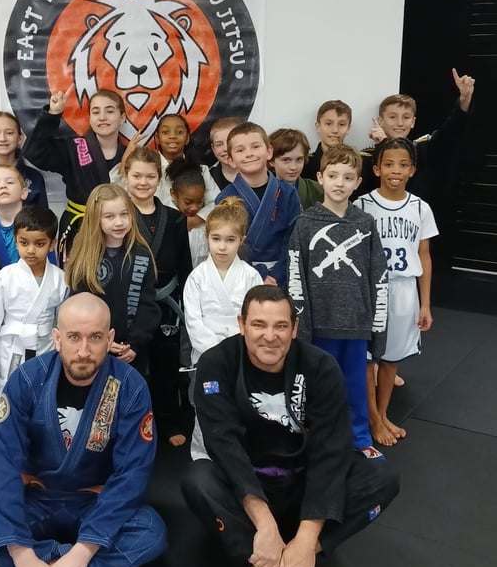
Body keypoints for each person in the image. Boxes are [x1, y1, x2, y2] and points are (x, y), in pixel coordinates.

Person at [181, 285, 399, 567]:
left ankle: (286, 563)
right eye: (259, 325)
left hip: (303, 488)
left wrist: (306, 540)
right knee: (198, 480)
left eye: (280, 326)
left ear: (295, 328)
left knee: (382, 475)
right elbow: (224, 448)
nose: (270, 336)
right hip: (247, 491)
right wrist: (265, 522)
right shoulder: (216, 364)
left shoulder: (320, 367)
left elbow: (331, 453)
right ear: (241, 324)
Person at [0, 293, 167, 567]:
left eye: (95, 338)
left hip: (95, 501)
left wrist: (84, 550)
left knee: (152, 533)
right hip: (37, 497)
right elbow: (1, 466)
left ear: (110, 339)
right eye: (74, 337)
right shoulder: (26, 381)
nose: (84, 350)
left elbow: (132, 474)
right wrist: (22, 554)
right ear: (56, 338)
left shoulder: (130, 387)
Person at [287, 145, 388, 456]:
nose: (339, 183)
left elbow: (378, 276)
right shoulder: (305, 224)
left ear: (358, 182)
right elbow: (296, 278)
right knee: (319, 386)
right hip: (320, 323)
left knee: (356, 385)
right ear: (320, 178)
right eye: (332, 175)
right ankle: (319, 440)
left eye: (347, 177)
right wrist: (302, 326)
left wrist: (377, 327)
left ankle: (360, 439)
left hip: (356, 322)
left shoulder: (365, 224)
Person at [354, 138, 438, 446]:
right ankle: (373, 420)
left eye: (403, 165)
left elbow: (424, 257)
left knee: (391, 359)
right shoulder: (361, 205)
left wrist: (425, 304)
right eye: (388, 164)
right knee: (366, 358)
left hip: (404, 290)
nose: (395, 171)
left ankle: (383, 414)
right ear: (376, 168)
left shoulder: (420, 208)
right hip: (369, 289)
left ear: (412, 170)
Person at [124, 146, 193, 446]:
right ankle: (132, 423)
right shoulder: (119, 217)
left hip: (166, 303)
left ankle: (168, 422)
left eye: (150, 176)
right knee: (133, 365)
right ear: (125, 176)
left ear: (159, 179)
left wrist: (187, 303)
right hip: (130, 302)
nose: (143, 182)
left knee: (166, 367)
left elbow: (184, 265)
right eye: (137, 176)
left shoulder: (175, 219)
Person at [65, 184, 160, 376]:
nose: (119, 222)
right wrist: (101, 340)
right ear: (95, 218)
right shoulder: (84, 258)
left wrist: (134, 344)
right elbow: (78, 308)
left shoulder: (142, 256)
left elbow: (148, 306)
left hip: (131, 351)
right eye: (109, 216)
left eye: (124, 214)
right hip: (91, 349)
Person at [23, 89, 127, 265]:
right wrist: (53, 114)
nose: (102, 117)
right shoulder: (74, 148)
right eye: (96, 112)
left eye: (110, 111)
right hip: (79, 226)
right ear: (90, 118)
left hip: (118, 228)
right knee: (77, 277)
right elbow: (34, 152)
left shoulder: (130, 155)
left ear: (122, 117)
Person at [0, 206, 68, 393]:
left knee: (45, 396)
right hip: (12, 349)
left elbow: (63, 324)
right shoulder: (4, 278)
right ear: (15, 241)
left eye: (39, 244)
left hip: (47, 347)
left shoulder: (61, 279)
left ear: (52, 244)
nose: (31, 250)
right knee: (12, 398)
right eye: (24, 243)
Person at [368, 67, 475, 204]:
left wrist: (465, 99)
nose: (400, 123)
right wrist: (384, 145)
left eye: (406, 117)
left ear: (413, 122)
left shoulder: (424, 148)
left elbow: (451, 131)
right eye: (393, 117)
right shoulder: (369, 157)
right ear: (381, 121)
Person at [216, 122, 300, 287]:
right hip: (242, 277)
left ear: (269, 152)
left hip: (282, 276)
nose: (249, 154)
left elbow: (294, 241)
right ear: (231, 160)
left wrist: (276, 276)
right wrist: (257, 276)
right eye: (240, 150)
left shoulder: (288, 193)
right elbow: (225, 245)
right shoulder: (225, 198)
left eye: (255, 147)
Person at [183, 197, 263, 368]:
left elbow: (258, 318)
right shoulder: (197, 277)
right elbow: (193, 321)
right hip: (206, 355)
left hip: (242, 352)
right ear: (207, 237)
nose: (222, 247)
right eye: (216, 238)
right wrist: (216, 352)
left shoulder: (251, 276)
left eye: (230, 240)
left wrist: (237, 349)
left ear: (241, 240)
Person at [0, 110, 48, 223]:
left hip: (26, 234)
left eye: (9, 133)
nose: (2, 138)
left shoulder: (34, 177)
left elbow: (44, 221)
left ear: (20, 138)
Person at [0, 165, 56, 268]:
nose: (3, 186)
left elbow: (51, 265)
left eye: (9, 182)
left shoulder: (40, 225)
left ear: (24, 193)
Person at [303, 101, 374, 198]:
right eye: (328, 124)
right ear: (318, 126)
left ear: (348, 128)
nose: (335, 130)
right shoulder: (305, 165)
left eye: (341, 124)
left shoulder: (363, 164)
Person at [167, 158, 210, 267]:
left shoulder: (207, 221)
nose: (194, 208)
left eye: (199, 201)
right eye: (188, 202)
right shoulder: (166, 217)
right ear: (173, 194)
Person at [269, 128, 323, 209]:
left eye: (299, 159)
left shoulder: (318, 191)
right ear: (271, 161)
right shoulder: (264, 191)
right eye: (286, 160)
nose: (293, 167)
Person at [208, 117, 242, 190]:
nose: (226, 148)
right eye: (219, 144)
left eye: (230, 142)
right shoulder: (208, 179)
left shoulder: (260, 172)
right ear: (213, 149)